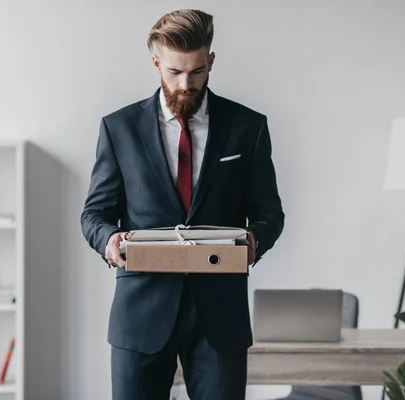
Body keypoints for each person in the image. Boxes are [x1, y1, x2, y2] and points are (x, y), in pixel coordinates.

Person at [80, 8, 284, 400]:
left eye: (196, 72)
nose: (186, 84)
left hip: (220, 317)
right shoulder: (118, 128)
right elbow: (95, 214)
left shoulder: (248, 127)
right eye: (174, 73)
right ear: (157, 64)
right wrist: (108, 240)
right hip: (140, 312)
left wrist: (255, 240)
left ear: (210, 61)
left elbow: (269, 212)